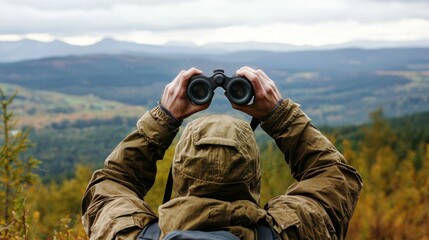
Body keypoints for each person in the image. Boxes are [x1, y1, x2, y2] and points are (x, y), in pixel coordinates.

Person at [81, 66, 363, 240]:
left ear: (179, 172)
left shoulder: (126, 233)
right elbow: (334, 175)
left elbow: (112, 183)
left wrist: (164, 118)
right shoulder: (296, 231)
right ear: (252, 174)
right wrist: (278, 114)